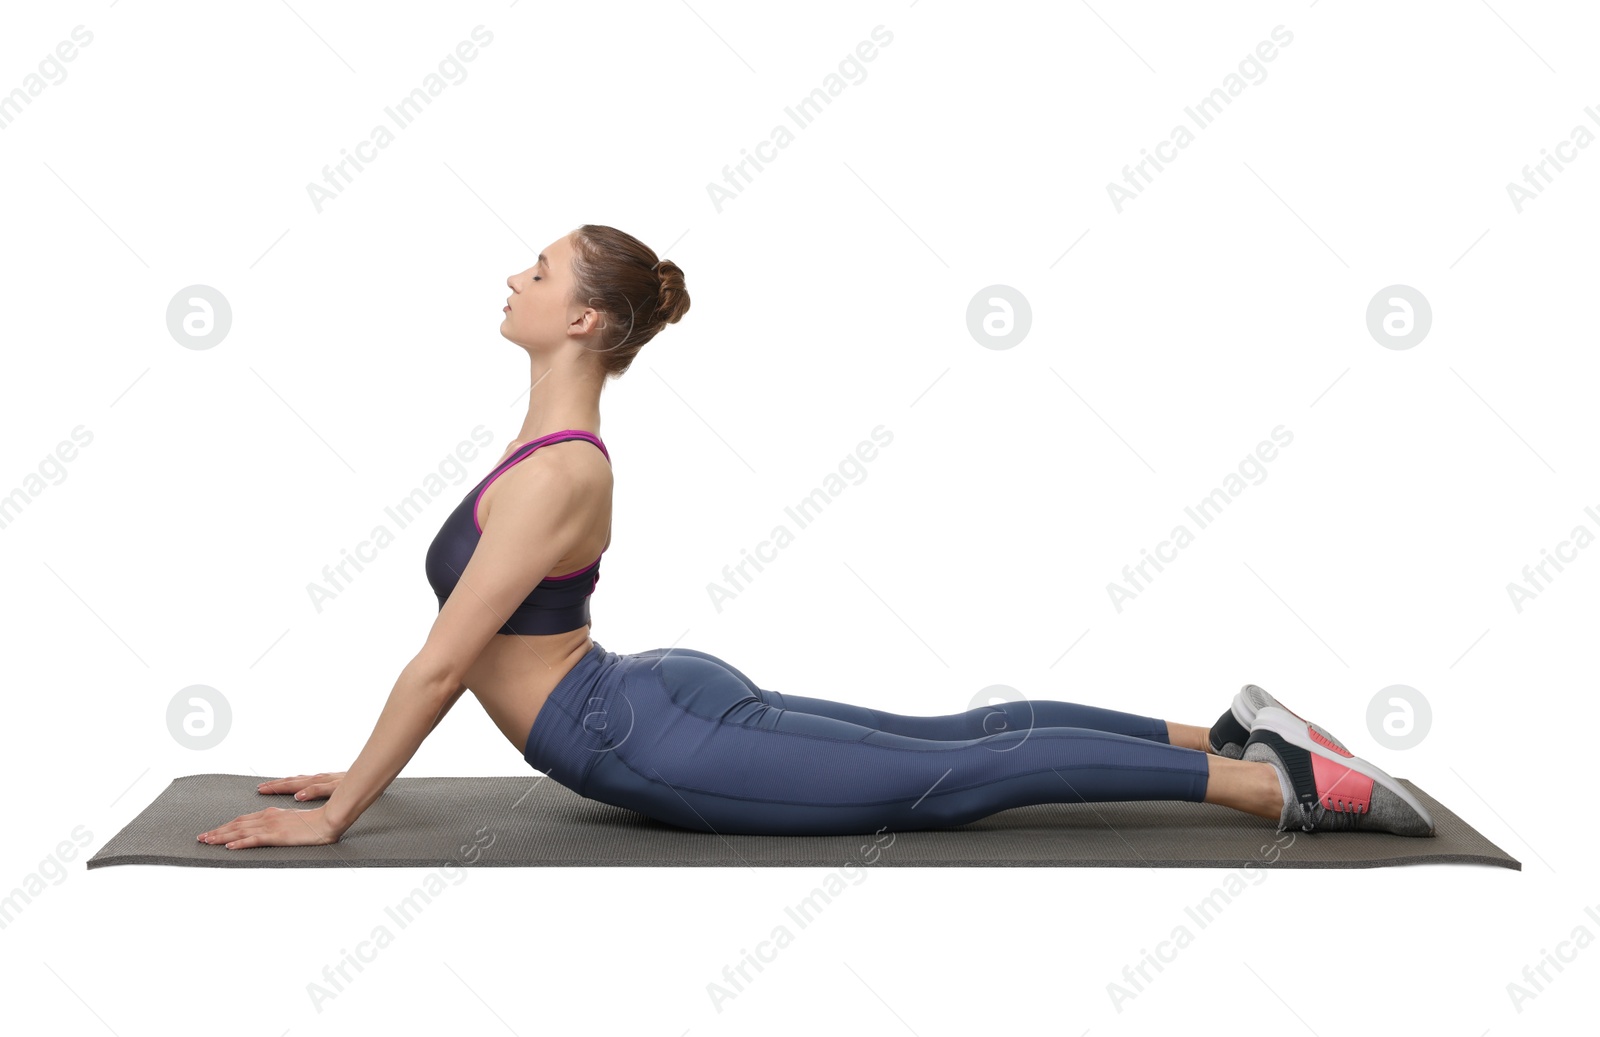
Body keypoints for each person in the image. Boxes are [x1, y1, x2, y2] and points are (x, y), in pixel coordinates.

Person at [197, 225, 1434, 850]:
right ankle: (1231, 729)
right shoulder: (545, 450)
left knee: (950, 777)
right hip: (645, 692)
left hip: (633, 728)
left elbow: (442, 662)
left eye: (535, 269)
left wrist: (343, 807)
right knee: (962, 733)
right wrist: (351, 768)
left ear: (580, 319)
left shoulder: (552, 474)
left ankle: (1271, 781)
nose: (511, 277)